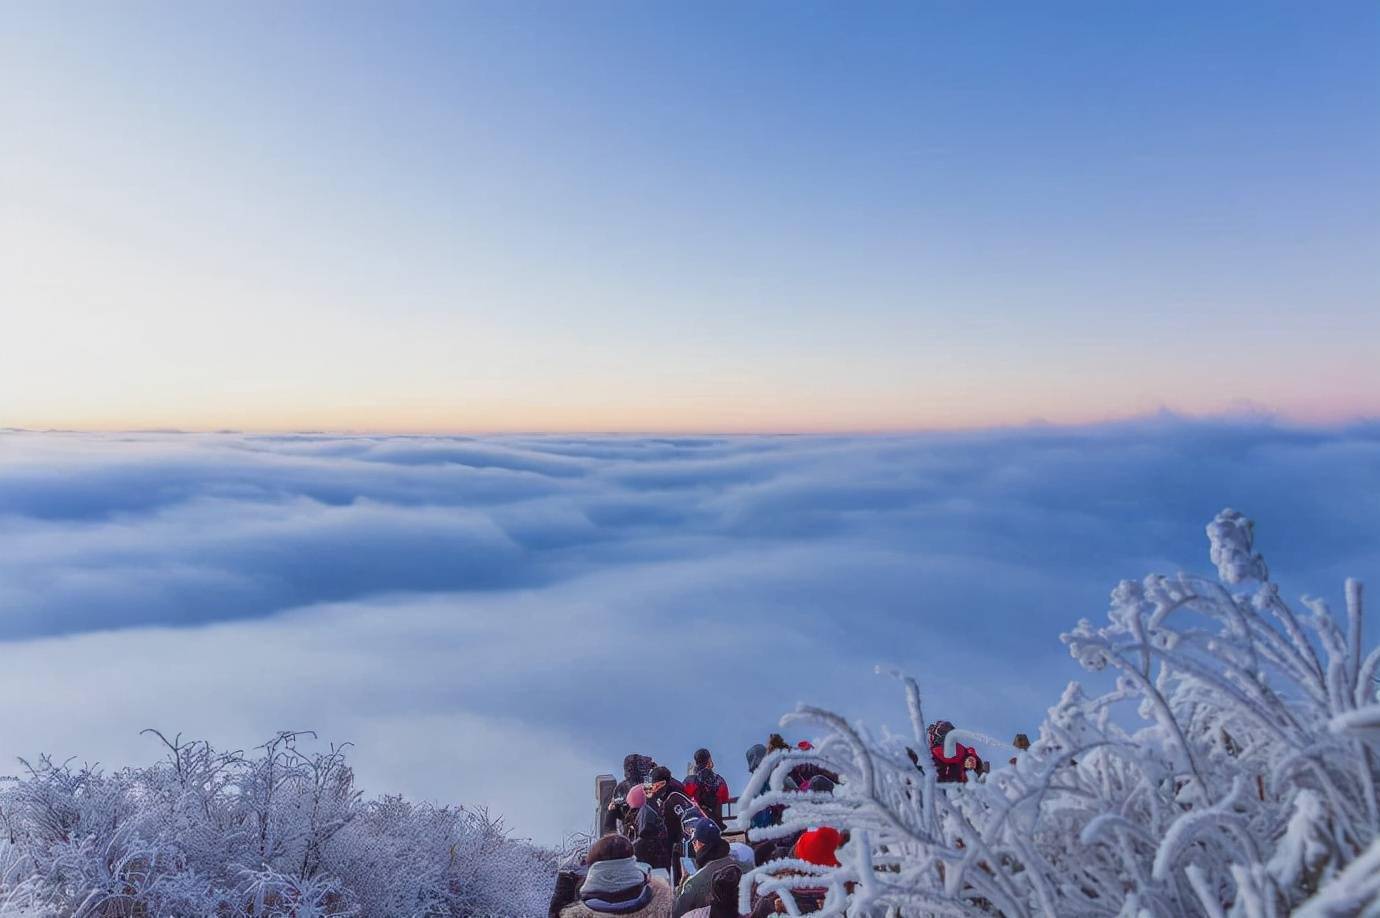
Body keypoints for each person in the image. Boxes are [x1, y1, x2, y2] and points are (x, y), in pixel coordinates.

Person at [552, 833, 673, 918]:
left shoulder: (576, 914)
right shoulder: (663, 903)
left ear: (593, 868)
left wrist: (562, 890)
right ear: (631, 862)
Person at [646, 765, 708, 884]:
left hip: (685, 845)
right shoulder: (673, 793)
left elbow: (687, 822)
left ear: (663, 784)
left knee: (682, 877)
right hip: (681, 841)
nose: (651, 788)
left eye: (654, 785)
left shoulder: (673, 799)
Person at [672, 821, 741, 918]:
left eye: (694, 842)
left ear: (699, 844)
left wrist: (682, 884)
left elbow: (676, 913)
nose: (693, 846)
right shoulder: (740, 866)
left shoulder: (694, 882)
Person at [605, 754, 657, 835]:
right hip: (631, 827)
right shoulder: (623, 786)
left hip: (645, 826)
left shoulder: (647, 782)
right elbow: (617, 810)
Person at [684, 748, 731, 828]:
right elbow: (725, 799)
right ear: (709, 759)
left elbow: (684, 798)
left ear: (696, 762)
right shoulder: (719, 780)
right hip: (716, 825)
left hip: (697, 824)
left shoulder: (689, 781)